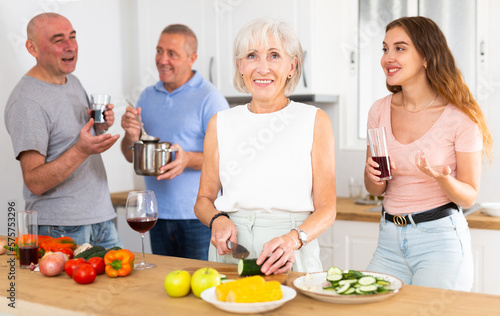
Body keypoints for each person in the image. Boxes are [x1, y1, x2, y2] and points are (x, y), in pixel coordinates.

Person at [194, 18, 336, 275]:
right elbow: (203, 200)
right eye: (252, 56)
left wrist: (293, 239)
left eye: (274, 56)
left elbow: (327, 209)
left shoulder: (314, 120)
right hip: (231, 250)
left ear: (292, 65)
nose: (262, 68)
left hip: (291, 250)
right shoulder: (221, 122)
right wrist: (217, 219)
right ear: (240, 66)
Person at [364, 16, 493, 291]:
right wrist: (372, 175)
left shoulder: (460, 117)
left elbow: (469, 194)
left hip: (440, 242)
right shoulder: (378, 110)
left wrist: (443, 180)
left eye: (400, 48)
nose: (388, 57)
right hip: (388, 240)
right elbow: (376, 188)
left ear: (426, 56)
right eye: (385, 48)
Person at [4, 13, 122, 247]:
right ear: (32, 48)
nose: (71, 47)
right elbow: (34, 181)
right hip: (60, 227)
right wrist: (81, 150)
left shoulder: (72, 81)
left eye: (73, 37)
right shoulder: (27, 101)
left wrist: (100, 125)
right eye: (59, 40)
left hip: (101, 218)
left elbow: (73, 137)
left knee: (122, 285)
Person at [121, 24, 229, 260]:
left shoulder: (210, 98)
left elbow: (228, 158)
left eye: (172, 54)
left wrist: (188, 159)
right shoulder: (147, 96)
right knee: (166, 287)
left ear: (192, 58)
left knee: (201, 287)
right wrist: (130, 136)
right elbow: (130, 155)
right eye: (159, 51)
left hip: (199, 215)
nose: (162, 60)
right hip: (155, 214)